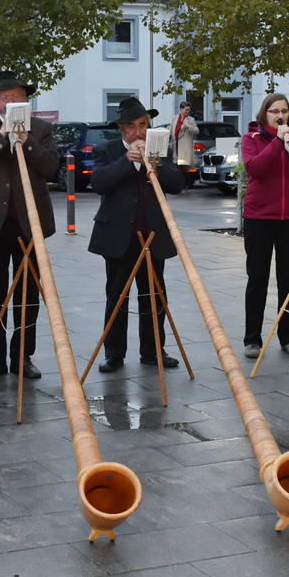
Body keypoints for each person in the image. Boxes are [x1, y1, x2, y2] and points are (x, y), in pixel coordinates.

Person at [0, 70, 58, 382]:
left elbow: (50, 167)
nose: (9, 102)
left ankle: (23, 356)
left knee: (28, 294)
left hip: (29, 223)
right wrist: (2, 135)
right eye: (3, 97)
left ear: (26, 100)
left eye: (16, 97)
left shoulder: (42, 129)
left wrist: (27, 140)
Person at [90, 97, 186, 372]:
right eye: (131, 126)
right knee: (117, 296)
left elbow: (178, 183)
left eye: (143, 125)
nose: (138, 132)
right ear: (120, 128)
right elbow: (98, 182)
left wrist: (154, 163)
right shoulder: (106, 150)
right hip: (119, 236)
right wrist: (128, 161)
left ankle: (154, 350)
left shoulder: (160, 148)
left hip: (153, 235)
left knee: (155, 295)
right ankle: (114, 354)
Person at [240, 93, 289, 358]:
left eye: (285, 111)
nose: (281, 115)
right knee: (258, 277)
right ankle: (252, 339)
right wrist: (278, 142)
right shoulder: (251, 139)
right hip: (259, 217)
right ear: (264, 114)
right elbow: (256, 168)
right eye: (275, 111)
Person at [171, 101, 198, 167]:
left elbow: (197, 131)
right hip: (175, 145)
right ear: (181, 109)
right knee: (175, 164)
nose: (187, 111)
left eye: (189, 110)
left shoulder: (191, 120)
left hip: (184, 147)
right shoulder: (175, 118)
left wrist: (188, 126)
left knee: (183, 165)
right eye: (186, 109)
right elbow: (171, 129)